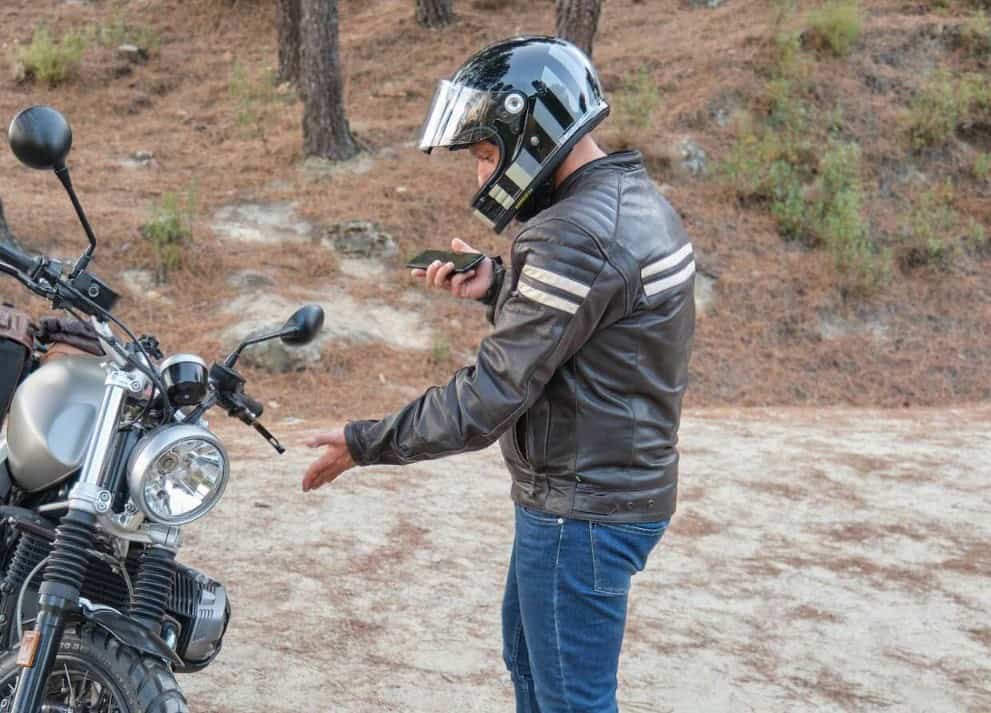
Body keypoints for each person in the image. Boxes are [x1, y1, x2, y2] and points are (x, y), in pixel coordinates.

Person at [302, 36, 696, 713]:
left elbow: (487, 397)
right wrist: (498, 286)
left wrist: (364, 440)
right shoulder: (628, 196)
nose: (480, 176)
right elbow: (595, 325)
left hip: (583, 507)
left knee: (569, 699)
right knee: (531, 665)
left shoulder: (573, 233)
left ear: (533, 133)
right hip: (605, 491)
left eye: (485, 153)